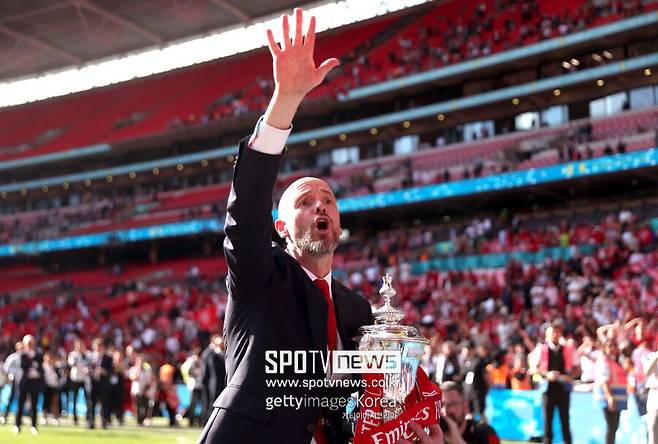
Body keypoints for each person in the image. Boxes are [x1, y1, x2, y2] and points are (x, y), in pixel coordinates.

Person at [198, 8, 442, 444]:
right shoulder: (261, 276)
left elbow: (354, 400)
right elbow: (246, 209)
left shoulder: (358, 310)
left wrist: (406, 423)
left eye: (327, 200)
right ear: (281, 227)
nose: (319, 206)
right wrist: (285, 101)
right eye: (304, 202)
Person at [529, 322, 578, 444]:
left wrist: (569, 377)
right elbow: (533, 369)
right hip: (547, 389)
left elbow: (577, 367)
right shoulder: (541, 349)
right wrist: (547, 375)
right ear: (547, 335)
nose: (554, 335)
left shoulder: (568, 349)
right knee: (547, 421)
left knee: (565, 421)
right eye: (552, 333)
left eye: (556, 332)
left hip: (563, 389)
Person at [594, 342, 628, 444]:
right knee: (611, 427)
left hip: (617, 398)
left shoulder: (616, 361)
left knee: (614, 427)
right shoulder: (604, 361)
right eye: (609, 346)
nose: (612, 348)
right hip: (609, 398)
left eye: (614, 345)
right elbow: (603, 381)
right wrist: (609, 397)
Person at [15, 335, 44, 435]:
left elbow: (40, 368)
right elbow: (24, 366)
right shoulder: (22, 354)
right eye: (28, 342)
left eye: (32, 342)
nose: (30, 345)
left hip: (35, 382)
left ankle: (34, 425)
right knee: (20, 403)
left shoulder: (38, 354)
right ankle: (17, 424)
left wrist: (33, 367)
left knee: (34, 405)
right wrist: (33, 366)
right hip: (25, 382)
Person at [87, 338, 113, 429]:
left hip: (103, 383)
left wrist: (104, 371)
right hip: (93, 382)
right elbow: (87, 367)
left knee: (104, 403)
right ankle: (91, 422)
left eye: (99, 346)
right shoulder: (89, 357)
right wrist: (89, 371)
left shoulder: (108, 357)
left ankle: (104, 421)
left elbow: (111, 370)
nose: (97, 348)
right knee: (91, 403)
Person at [0, 341, 23, 425]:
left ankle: (19, 418)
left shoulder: (25, 357)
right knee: (11, 398)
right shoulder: (13, 357)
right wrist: (11, 375)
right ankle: (5, 416)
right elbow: (6, 369)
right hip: (14, 380)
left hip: (22, 381)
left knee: (21, 400)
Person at [67, 338, 88, 425]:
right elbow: (72, 363)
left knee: (87, 398)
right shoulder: (73, 354)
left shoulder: (87, 355)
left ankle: (88, 416)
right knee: (74, 398)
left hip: (84, 379)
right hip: (75, 378)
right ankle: (75, 417)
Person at [643, 350, 657, 444]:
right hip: (655, 395)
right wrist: (656, 357)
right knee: (653, 427)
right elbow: (646, 372)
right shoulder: (652, 356)